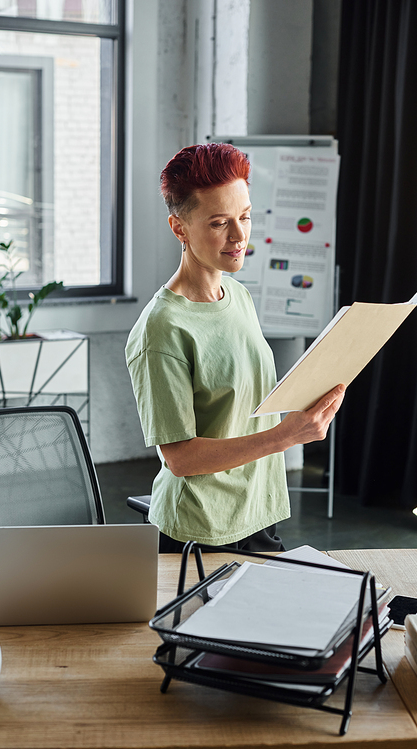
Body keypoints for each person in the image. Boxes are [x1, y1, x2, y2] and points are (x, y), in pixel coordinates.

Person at [126, 143, 345, 552]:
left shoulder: (238, 295)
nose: (240, 235)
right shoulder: (161, 330)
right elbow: (180, 458)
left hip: (258, 513)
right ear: (180, 229)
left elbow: (244, 401)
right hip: (200, 532)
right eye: (219, 223)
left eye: (244, 217)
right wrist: (286, 436)